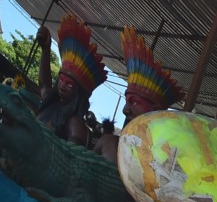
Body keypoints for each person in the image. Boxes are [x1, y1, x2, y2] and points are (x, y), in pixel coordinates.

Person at [94, 26, 185, 162]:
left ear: (154, 112)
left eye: (134, 102)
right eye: (126, 101)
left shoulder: (162, 161)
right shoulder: (107, 142)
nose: (125, 110)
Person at [36, 14, 107, 145]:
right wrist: (46, 50)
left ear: (78, 93)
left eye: (69, 85)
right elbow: (44, 85)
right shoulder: (50, 104)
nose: (62, 86)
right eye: (61, 80)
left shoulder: (75, 125)